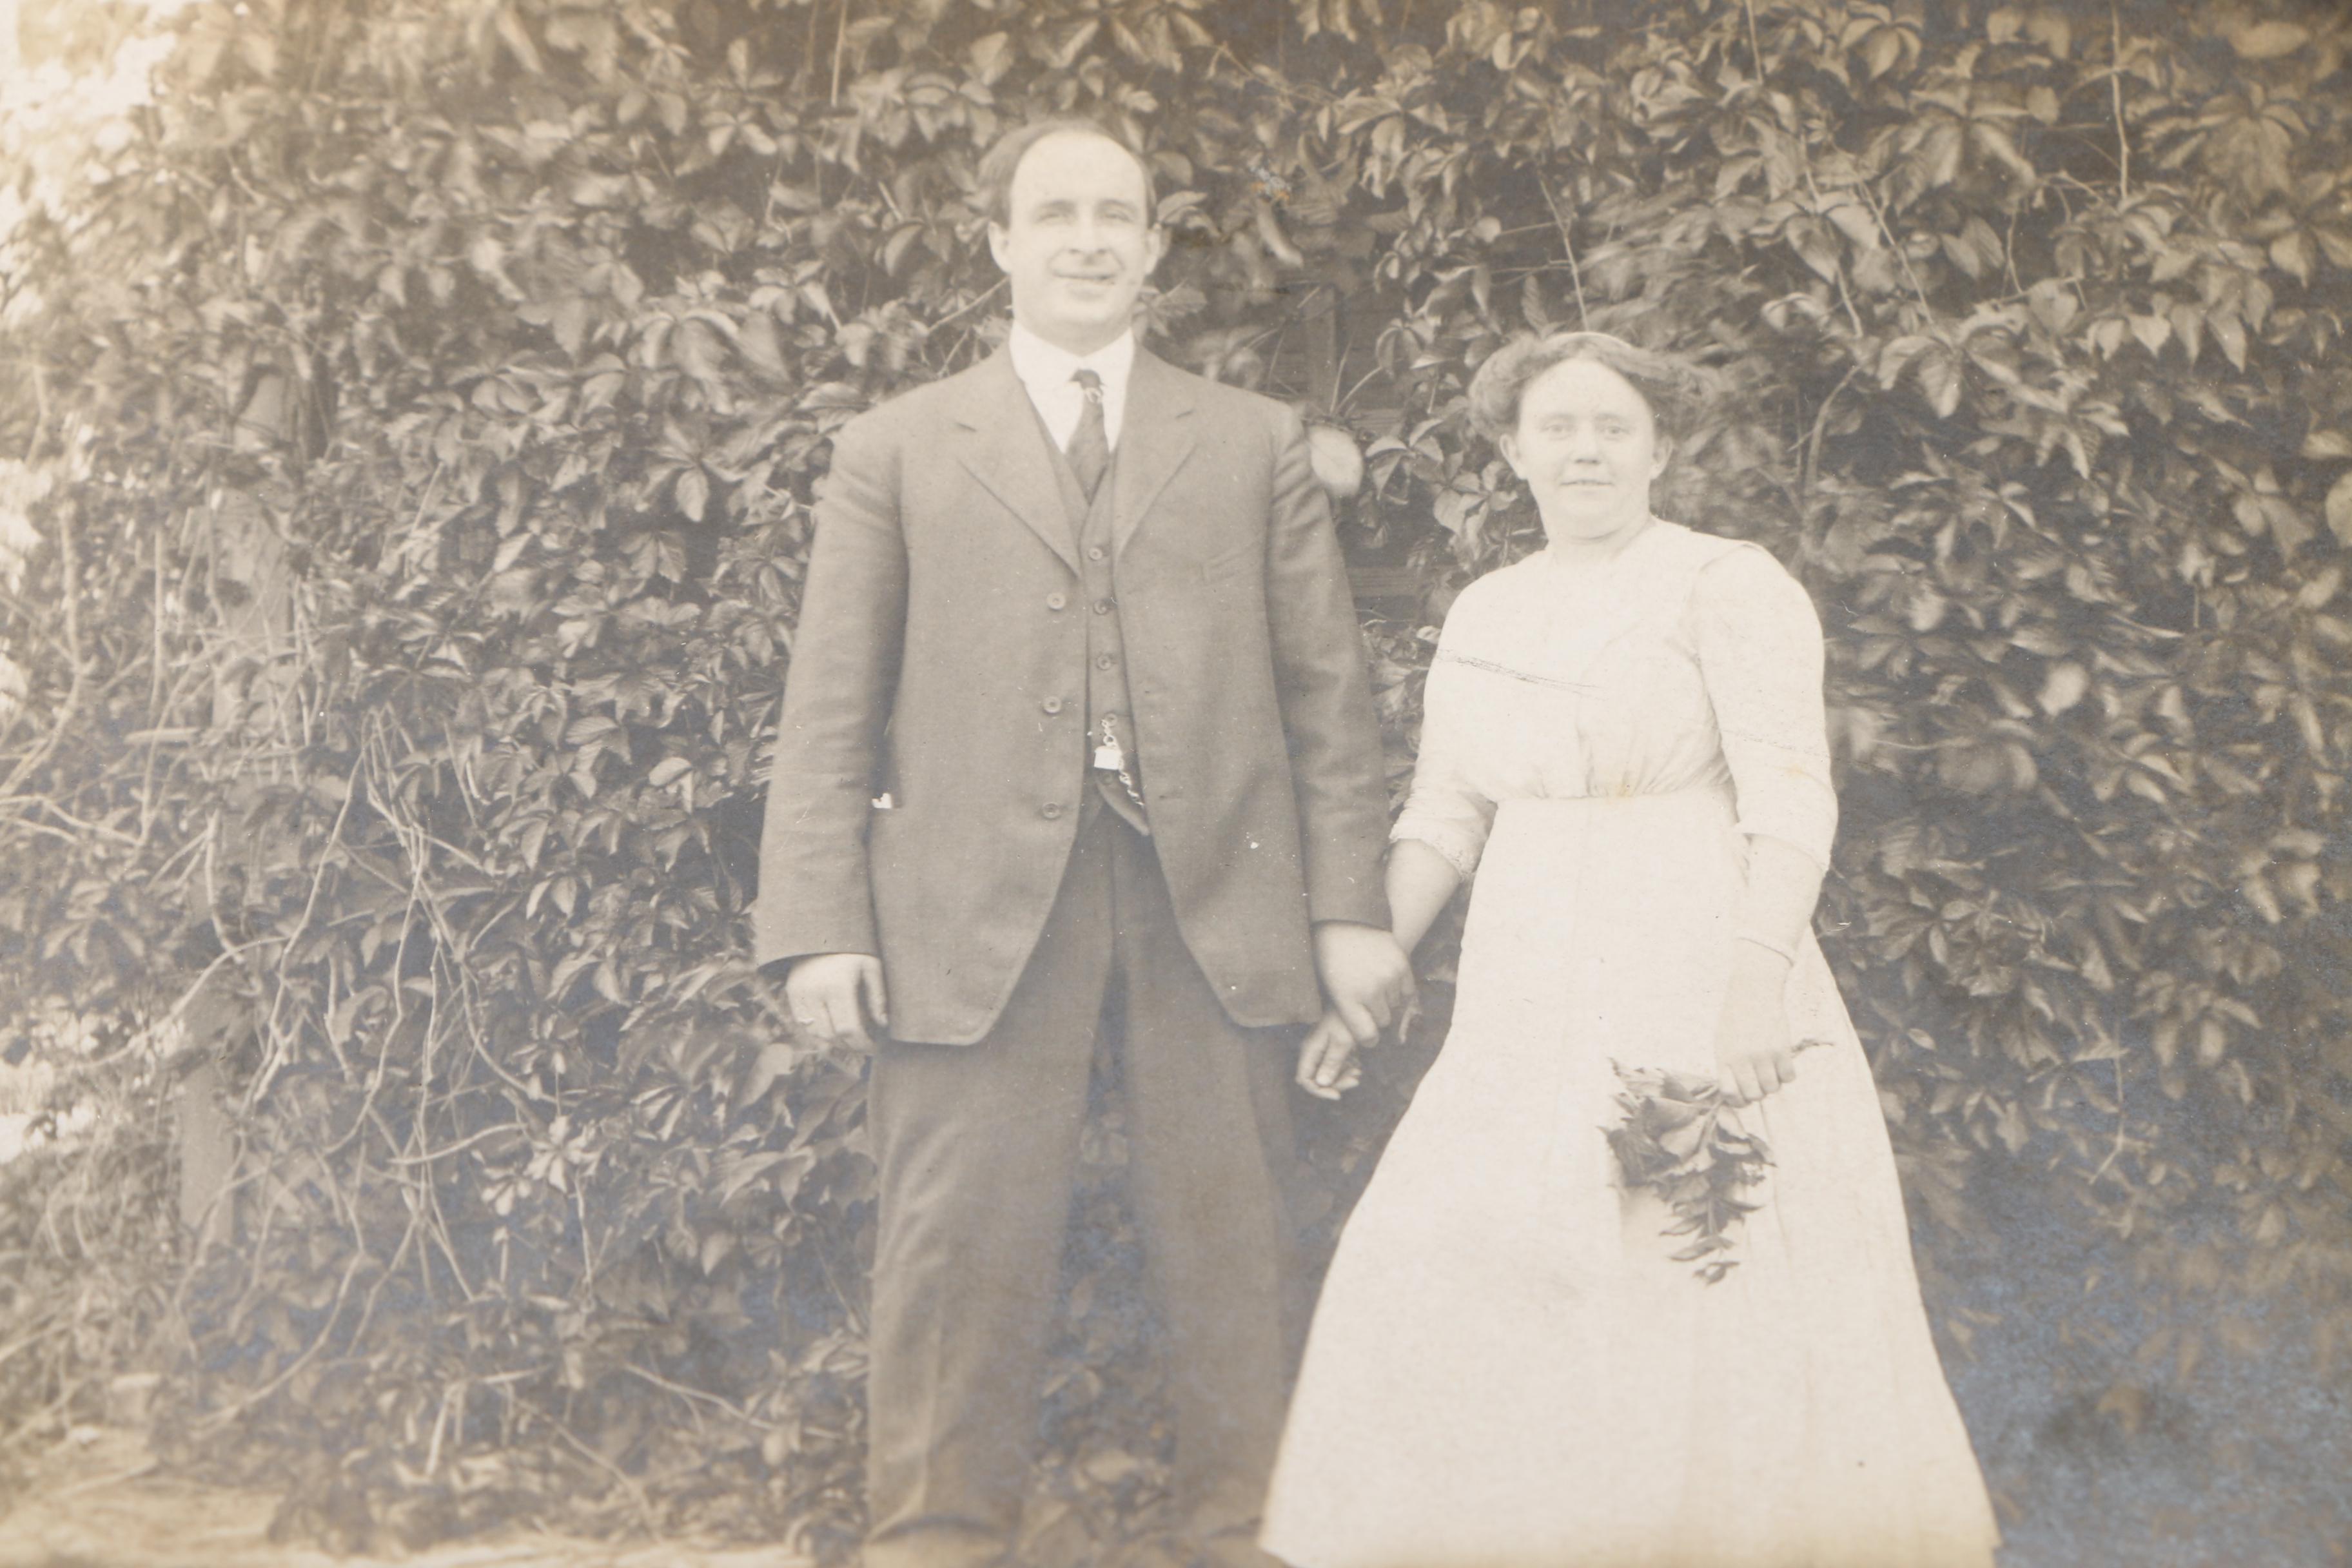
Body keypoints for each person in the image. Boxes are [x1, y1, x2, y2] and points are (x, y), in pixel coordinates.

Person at [753, 117, 1413, 1568]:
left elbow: (1327, 698)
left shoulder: (1249, 444)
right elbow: (829, 706)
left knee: (1233, 1233)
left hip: (1216, 893)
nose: (1087, 240)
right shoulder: (898, 447)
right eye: (1054, 213)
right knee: (954, 1238)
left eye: (1116, 215)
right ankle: (935, 1534)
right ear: (997, 241)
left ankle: (1247, 1526)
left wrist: (1347, 906)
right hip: (966, 903)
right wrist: (817, 924)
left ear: (1156, 247)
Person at [1259, 331, 2001, 1567]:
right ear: (1513, 452)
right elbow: (1445, 814)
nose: (1587, 449)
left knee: (1686, 1247)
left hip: (1695, 951)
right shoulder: (1488, 608)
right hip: (1527, 970)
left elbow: (1791, 797)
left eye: (1615, 426)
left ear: (1662, 446)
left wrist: (1755, 987)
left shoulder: (1726, 582)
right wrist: (1367, 976)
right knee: (1495, 1242)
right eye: (1558, 427)